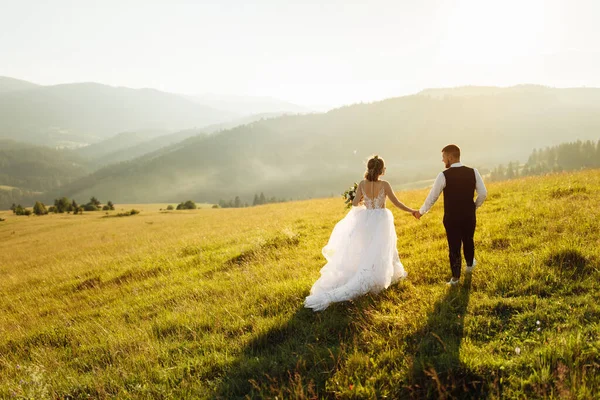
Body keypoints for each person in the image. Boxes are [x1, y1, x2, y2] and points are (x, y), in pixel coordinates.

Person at [304, 155, 417, 311]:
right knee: (380, 250)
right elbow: (396, 203)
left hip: (366, 220)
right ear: (381, 170)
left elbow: (356, 203)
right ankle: (376, 276)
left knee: (366, 250)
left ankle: (364, 273)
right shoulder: (384, 184)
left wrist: (363, 199)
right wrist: (412, 211)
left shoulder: (363, 184)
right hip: (381, 220)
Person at [413, 144, 487, 285]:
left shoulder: (443, 175)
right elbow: (483, 193)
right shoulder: (473, 172)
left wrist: (421, 212)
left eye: (444, 157)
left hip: (452, 218)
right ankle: (470, 266)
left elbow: (432, 197)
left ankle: (455, 278)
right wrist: (474, 207)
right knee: (468, 240)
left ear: (450, 157)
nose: (443, 160)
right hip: (469, 215)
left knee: (454, 246)